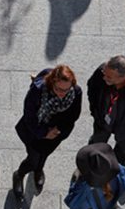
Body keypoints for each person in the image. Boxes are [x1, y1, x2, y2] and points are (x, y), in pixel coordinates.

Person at [12, 64, 82, 200]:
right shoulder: (38, 91)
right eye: (58, 89)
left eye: (66, 90)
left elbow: (73, 116)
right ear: (52, 82)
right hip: (34, 132)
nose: (62, 94)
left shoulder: (76, 92)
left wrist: (58, 131)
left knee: (44, 155)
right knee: (33, 159)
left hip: (56, 134)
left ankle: (38, 171)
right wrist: (44, 133)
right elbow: (29, 117)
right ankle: (19, 174)